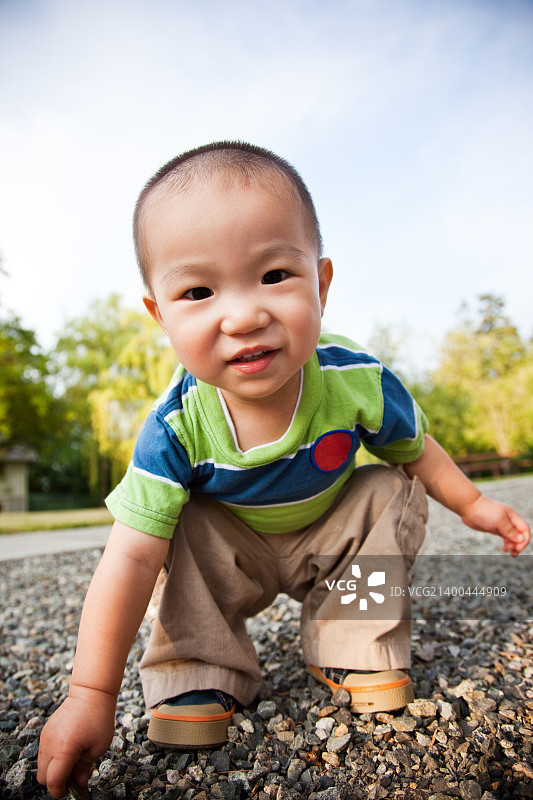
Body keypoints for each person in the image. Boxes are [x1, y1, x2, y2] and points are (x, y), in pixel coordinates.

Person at [37, 141, 530, 798]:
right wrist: (90, 694)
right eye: (198, 291)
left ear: (320, 285)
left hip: (331, 534)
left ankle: (352, 641)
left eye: (273, 275)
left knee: (387, 487)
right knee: (171, 521)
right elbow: (127, 559)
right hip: (230, 550)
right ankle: (198, 665)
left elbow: (417, 449)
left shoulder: (355, 379)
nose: (244, 315)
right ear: (160, 315)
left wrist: (473, 505)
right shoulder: (175, 426)